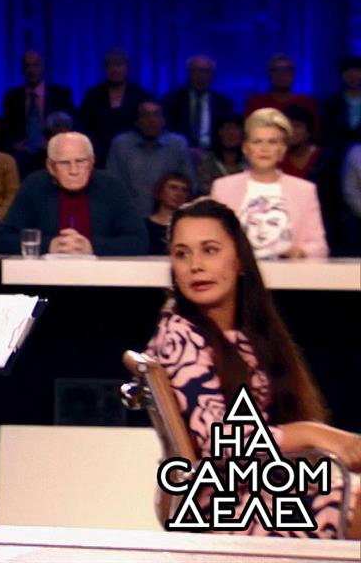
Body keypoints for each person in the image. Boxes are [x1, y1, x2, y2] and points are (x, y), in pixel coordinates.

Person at [147, 199, 360, 539]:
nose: (195, 266)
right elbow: (222, 444)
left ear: (239, 261)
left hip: (266, 487)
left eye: (209, 250)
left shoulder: (248, 332)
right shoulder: (179, 334)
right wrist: (313, 434)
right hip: (224, 506)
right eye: (182, 254)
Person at [0, 132, 147, 255]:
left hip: (101, 279)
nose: (74, 171)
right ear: (51, 167)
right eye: (64, 163)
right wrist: (50, 245)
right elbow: (2, 240)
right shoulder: (35, 186)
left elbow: (139, 242)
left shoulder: (111, 186)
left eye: (80, 161)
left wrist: (92, 247)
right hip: (45, 279)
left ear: (92, 162)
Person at [211, 108, 328, 259]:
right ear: (246, 148)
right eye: (257, 142)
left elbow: (319, 246)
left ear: (282, 150)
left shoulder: (304, 190)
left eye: (272, 142)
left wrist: (299, 252)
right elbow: (211, 240)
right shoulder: (223, 188)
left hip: (289, 271)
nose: (264, 149)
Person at [106, 100, 196, 217]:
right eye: (145, 115)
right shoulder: (121, 144)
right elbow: (113, 185)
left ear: (164, 120)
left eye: (156, 115)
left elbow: (189, 184)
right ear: (136, 122)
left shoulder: (178, 144)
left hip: (170, 216)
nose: (152, 120)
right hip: (130, 215)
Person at [76, 48, 151, 164]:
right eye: (109, 66)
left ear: (127, 68)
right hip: (99, 154)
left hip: (133, 154)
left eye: (119, 65)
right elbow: (83, 125)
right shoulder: (93, 95)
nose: (114, 69)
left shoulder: (140, 95)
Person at [2, 50, 75, 161]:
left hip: (53, 152)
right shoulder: (12, 97)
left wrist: (53, 142)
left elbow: (70, 127)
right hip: (21, 154)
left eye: (35, 65)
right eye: (27, 66)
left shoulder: (61, 95)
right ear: (22, 69)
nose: (31, 70)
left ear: (43, 67)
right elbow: (5, 130)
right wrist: (15, 144)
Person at [162, 54, 235, 149]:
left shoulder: (223, 104)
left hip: (213, 152)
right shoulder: (172, 100)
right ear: (188, 73)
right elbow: (167, 131)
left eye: (206, 72)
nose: (201, 76)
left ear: (213, 75)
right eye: (196, 71)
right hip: (180, 151)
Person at [244, 53, 319, 139]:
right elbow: (248, 133)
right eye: (276, 70)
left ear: (294, 74)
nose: (282, 74)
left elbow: (315, 135)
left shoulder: (306, 102)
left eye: (287, 70)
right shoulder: (255, 102)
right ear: (268, 74)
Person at [194, 114, 247, 195]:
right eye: (227, 128)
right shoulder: (206, 162)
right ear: (218, 133)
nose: (231, 133)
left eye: (235, 128)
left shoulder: (250, 163)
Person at [144, 171, 191, 255]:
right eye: (173, 188)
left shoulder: (190, 228)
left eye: (184, 190)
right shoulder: (143, 226)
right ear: (160, 192)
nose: (179, 194)